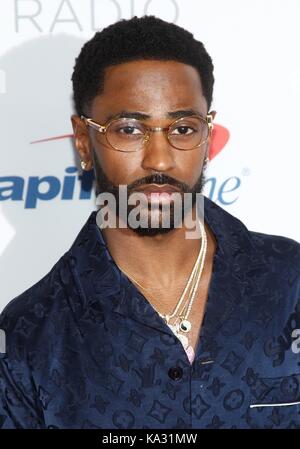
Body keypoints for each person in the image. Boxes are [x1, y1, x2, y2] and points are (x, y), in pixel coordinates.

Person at [0, 15, 299, 430]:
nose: (159, 159)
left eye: (181, 127)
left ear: (208, 137)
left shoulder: (291, 282)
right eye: (128, 129)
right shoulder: (28, 336)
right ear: (84, 142)